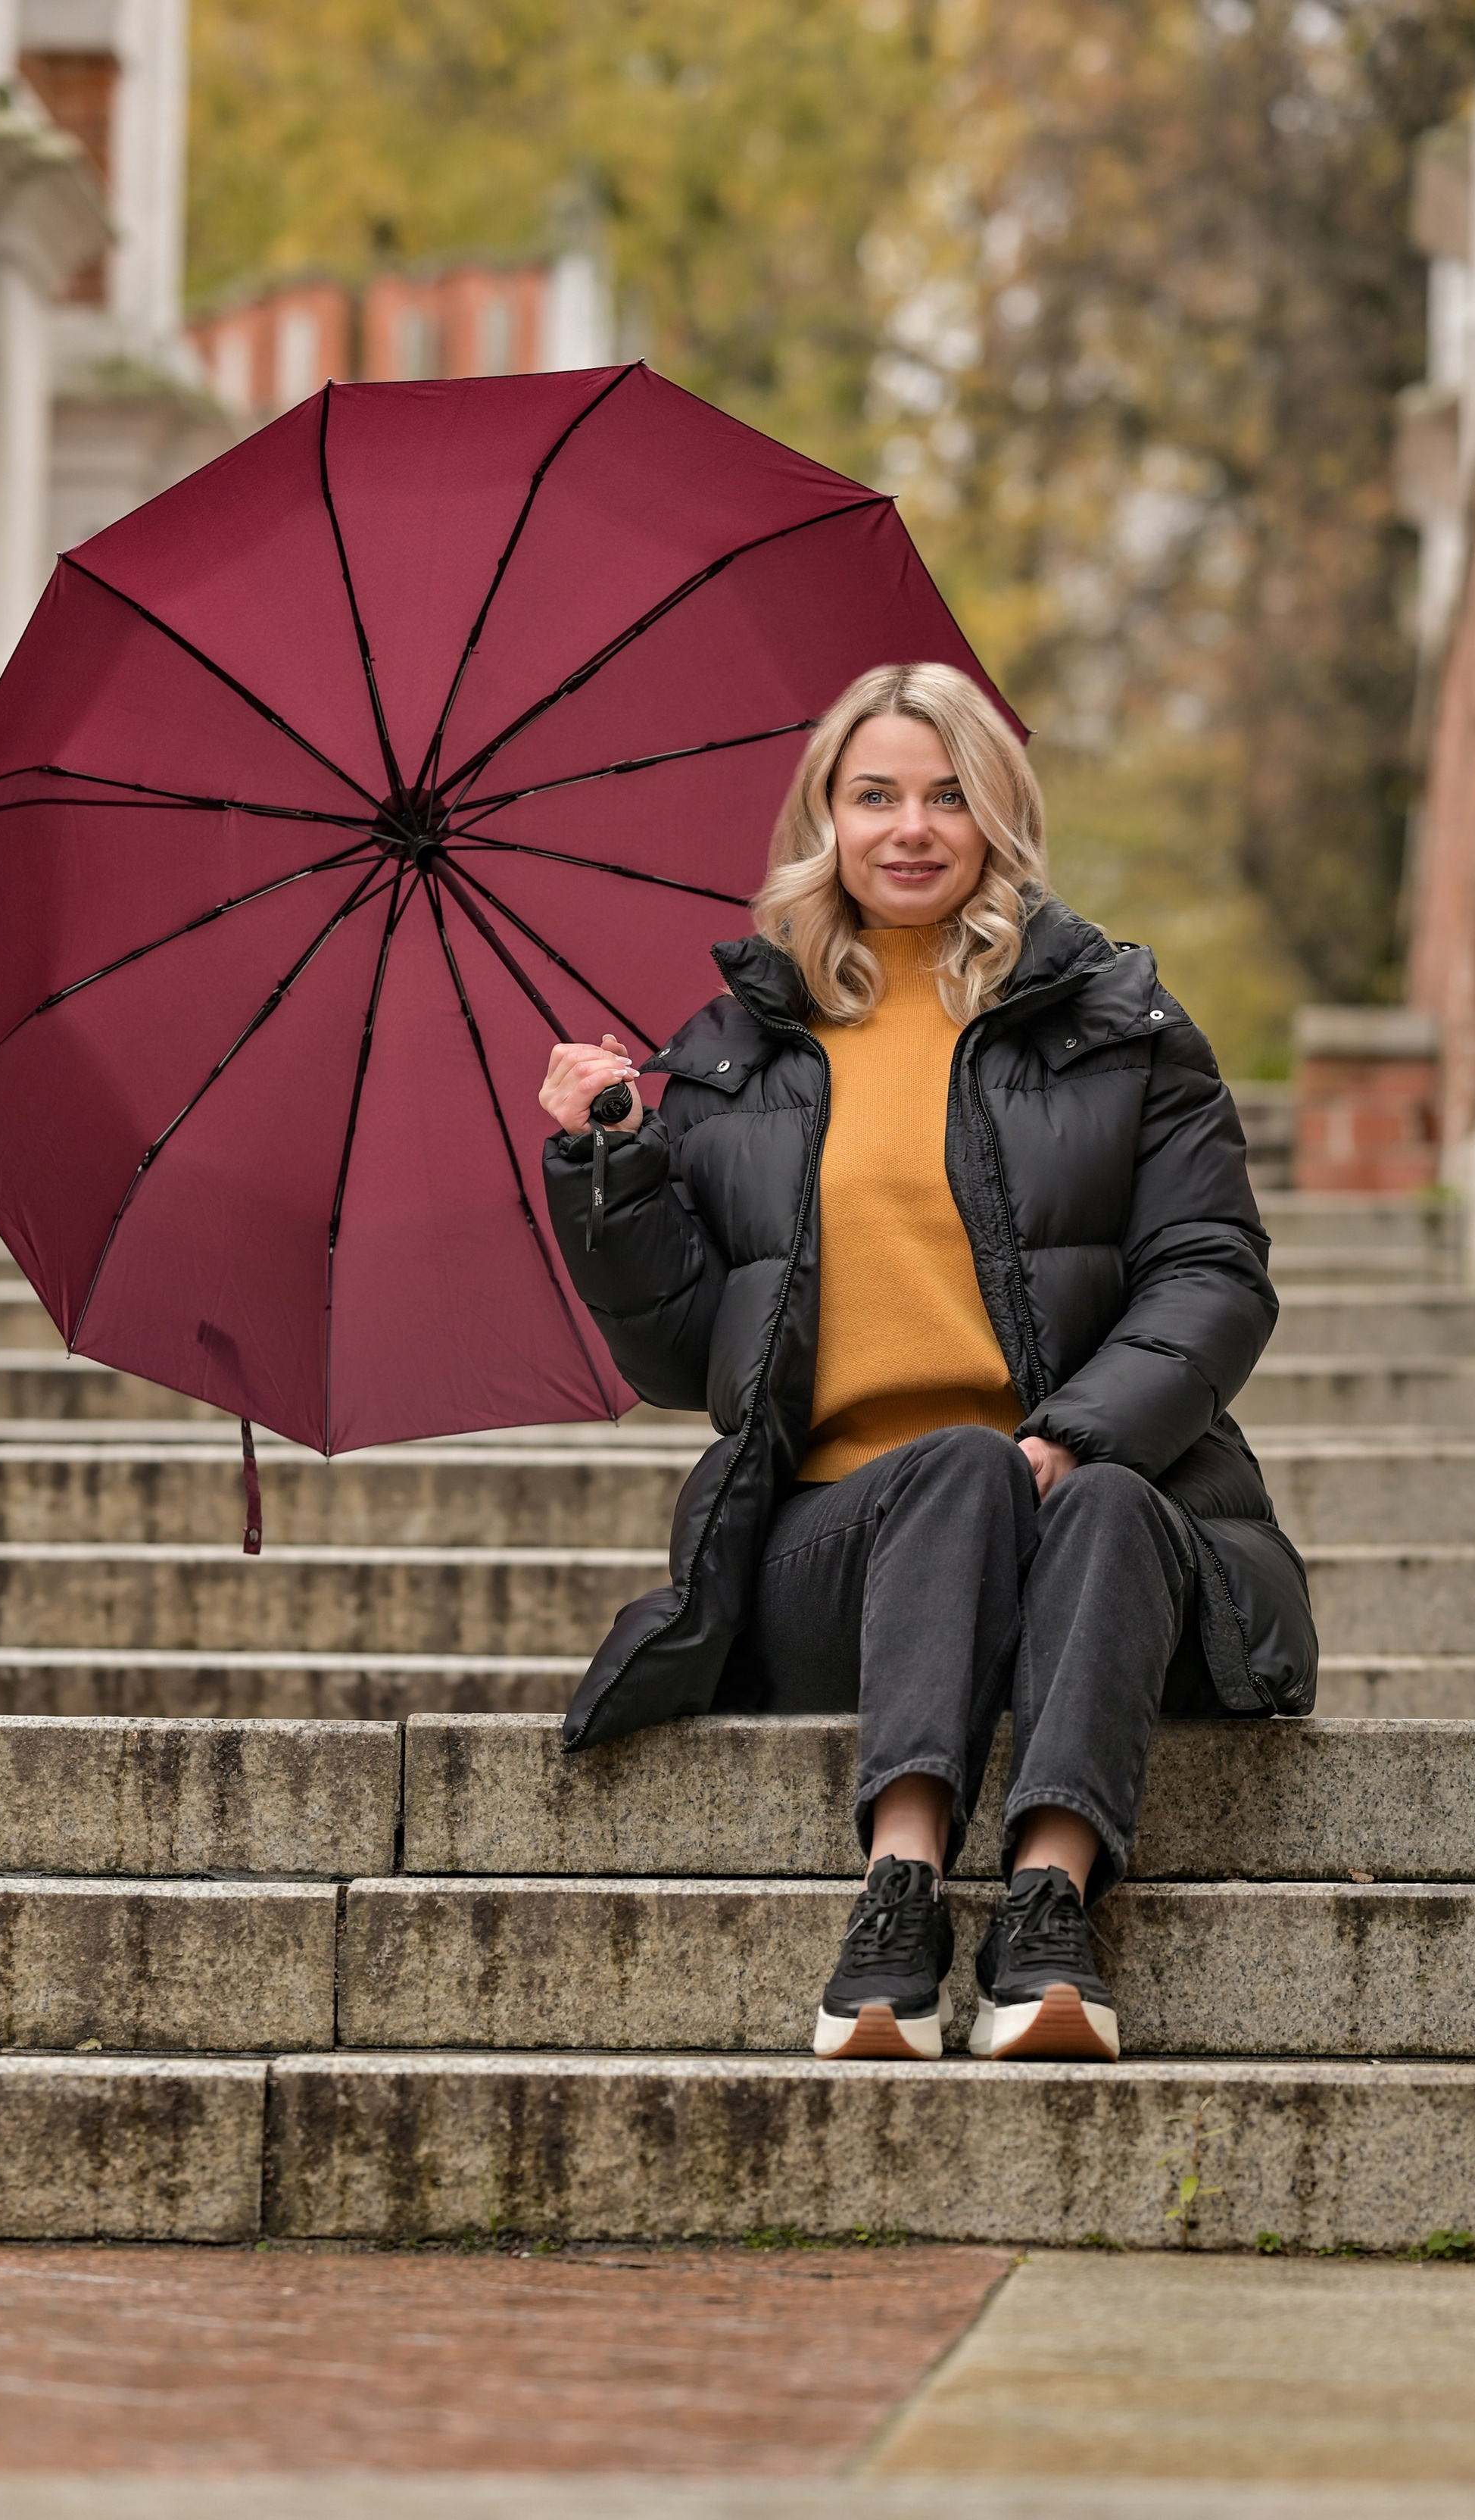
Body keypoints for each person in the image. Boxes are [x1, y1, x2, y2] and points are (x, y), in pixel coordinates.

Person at [538, 662, 1314, 2063]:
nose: (911, 827)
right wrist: (613, 1173)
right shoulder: (730, 1062)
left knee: (1098, 1500)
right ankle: (898, 1895)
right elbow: (677, 1360)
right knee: (955, 1466)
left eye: (949, 794)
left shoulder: (1121, 1026)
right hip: (837, 1555)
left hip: (1097, 1525)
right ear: (825, 818)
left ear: (998, 815)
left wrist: (1072, 1435)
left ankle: (1046, 1914)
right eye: (875, 794)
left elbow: (1215, 1274)